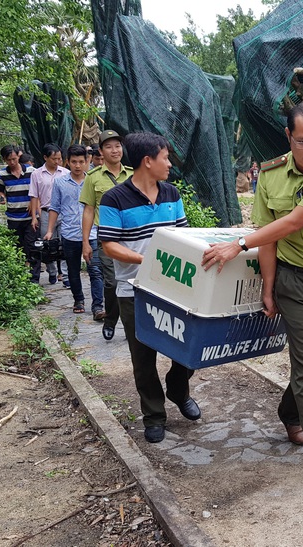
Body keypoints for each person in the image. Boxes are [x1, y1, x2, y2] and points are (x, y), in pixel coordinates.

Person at [201, 101, 303, 496]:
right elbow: (270, 235)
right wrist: (268, 288)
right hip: (295, 284)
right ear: (289, 136)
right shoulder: (269, 176)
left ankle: (290, 412)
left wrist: (238, 243)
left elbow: (296, 220)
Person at [98, 132, 199, 444]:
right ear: (147, 161)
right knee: (143, 358)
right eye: (165, 158)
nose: (169, 164)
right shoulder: (114, 199)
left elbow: (184, 238)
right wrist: (148, 259)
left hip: (174, 289)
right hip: (134, 290)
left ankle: (179, 389)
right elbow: (109, 246)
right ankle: (154, 416)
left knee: (187, 348)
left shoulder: (172, 194)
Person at [81, 129, 132, 339]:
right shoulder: (93, 178)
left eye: (118, 145)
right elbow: (89, 210)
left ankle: (132, 326)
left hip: (132, 238)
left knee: (132, 283)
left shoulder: (133, 174)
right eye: (109, 146)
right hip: (107, 239)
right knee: (111, 282)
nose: (115, 150)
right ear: (101, 151)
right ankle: (111, 320)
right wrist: (85, 242)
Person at [44, 144, 103, 315]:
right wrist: (49, 230)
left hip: (92, 233)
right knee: (73, 270)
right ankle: (79, 300)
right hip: (69, 233)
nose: (78, 166)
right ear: (67, 162)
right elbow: (54, 207)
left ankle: (98, 305)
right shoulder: (60, 183)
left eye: (81, 162)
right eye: (74, 162)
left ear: (87, 162)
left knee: (95, 270)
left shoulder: (92, 180)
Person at [0, 145, 40, 282]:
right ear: (4, 160)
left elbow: (39, 191)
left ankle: (34, 279)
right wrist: (2, 197)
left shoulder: (32, 172)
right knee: (17, 247)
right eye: (9, 160)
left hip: (31, 216)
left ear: (19, 157)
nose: (12, 162)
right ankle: (20, 276)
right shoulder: (2, 174)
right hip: (13, 216)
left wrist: (33, 204)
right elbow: (1, 191)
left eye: (14, 159)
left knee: (33, 246)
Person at [29, 143, 69, 285]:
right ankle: (52, 271)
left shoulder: (65, 173)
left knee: (64, 243)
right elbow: (34, 195)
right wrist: (34, 217)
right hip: (46, 212)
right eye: (54, 159)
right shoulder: (37, 174)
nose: (57, 162)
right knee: (48, 244)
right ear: (45, 157)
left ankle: (65, 275)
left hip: (64, 213)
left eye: (59, 158)